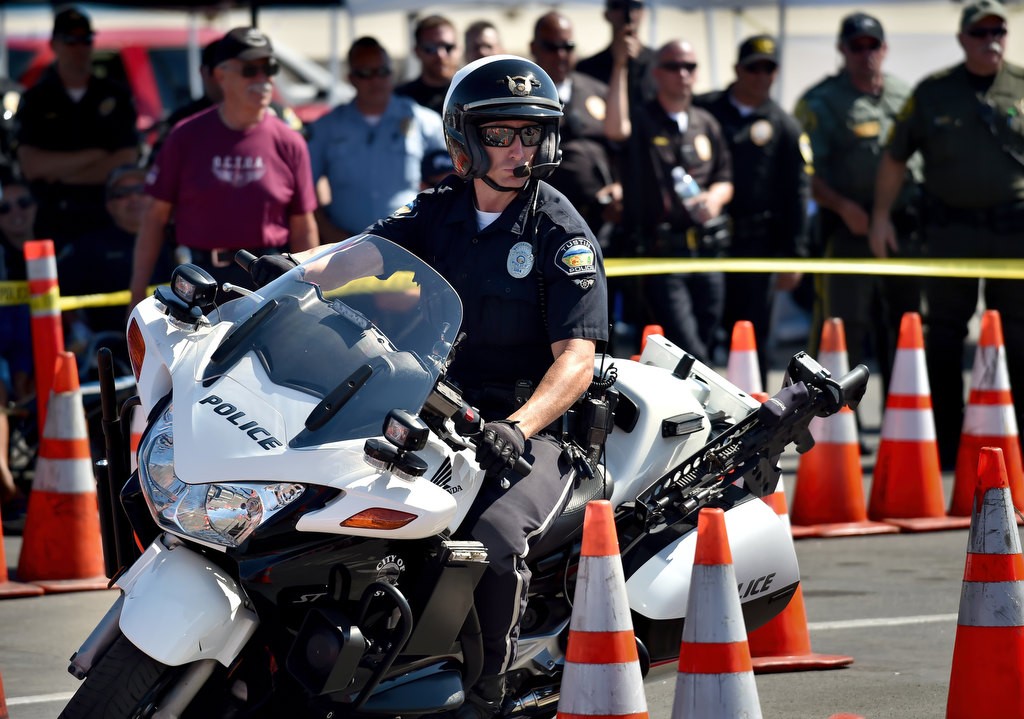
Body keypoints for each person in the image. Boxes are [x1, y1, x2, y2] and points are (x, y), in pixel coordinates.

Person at [265, 56, 608, 718]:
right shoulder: (440, 209)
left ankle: (489, 690)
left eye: (529, 134)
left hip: (528, 430)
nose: (517, 149)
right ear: (466, 142)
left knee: (495, 538)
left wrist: (520, 425)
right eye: (501, 135)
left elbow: (577, 359)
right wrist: (283, 279)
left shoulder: (561, 234)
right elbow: (360, 256)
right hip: (436, 409)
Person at [871, 0, 1024, 470]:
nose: (991, 39)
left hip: (1012, 232)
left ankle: (1015, 441)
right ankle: (946, 440)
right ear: (962, 39)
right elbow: (895, 157)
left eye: (998, 29)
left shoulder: (1020, 85)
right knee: (944, 336)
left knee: (1016, 337)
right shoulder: (934, 92)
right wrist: (880, 217)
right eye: (980, 32)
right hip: (951, 233)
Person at [128, 27, 318, 308]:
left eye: (269, 68)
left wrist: (309, 291)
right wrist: (136, 293)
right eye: (250, 70)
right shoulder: (185, 136)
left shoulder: (289, 141)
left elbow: (303, 225)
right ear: (221, 75)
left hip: (269, 281)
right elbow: (154, 219)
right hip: (197, 282)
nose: (263, 79)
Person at [794, 12, 921, 404]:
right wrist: (843, 206)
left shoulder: (905, 94)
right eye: (856, 46)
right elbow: (804, 171)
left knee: (906, 325)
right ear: (843, 50)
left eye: (872, 45)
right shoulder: (821, 102)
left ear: (883, 49)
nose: (865, 54)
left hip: (904, 227)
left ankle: (903, 417)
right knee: (841, 326)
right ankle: (831, 420)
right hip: (848, 227)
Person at [605, 39, 733, 364]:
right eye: (674, 66)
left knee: (707, 332)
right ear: (657, 73)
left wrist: (715, 199)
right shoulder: (643, 119)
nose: (683, 74)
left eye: (689, 66)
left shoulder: (706, 122)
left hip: (707, 251)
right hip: (664, 252)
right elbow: (615, 129)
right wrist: (620, 65)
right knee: (689, 345)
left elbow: (725, 177)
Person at [694, 35, 810, 380]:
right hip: (705, 242)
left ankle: (755, 412)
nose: (761, 75)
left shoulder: (784, 125)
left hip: (757, 245)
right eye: (753, 67)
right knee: (701, 332)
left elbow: (797, 195)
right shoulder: (705, 109)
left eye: (769, 68)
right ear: (737, 70)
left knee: (750, 334)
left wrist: (794, 256)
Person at [14, 6, 139, 245]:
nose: (79, 48)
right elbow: (32, 166)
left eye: (86, 39)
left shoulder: (115, 95)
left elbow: (125, 161)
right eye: (70, 40)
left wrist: (59, 172)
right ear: (54, 45)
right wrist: (96, 154)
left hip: (105, 217)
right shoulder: (36, 99)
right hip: (53, 217)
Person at [306, 36, 446, 244]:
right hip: (345, 248)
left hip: (409, 245)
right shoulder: (327, 127)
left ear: (392, 74)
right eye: (365, 73)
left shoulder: (424, 121)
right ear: (351, 78)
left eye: (382, 72)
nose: (376, 80)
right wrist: (327, 232)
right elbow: (304, 189)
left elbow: (453, 181)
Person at [530, 11, 621, 245]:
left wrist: (619, 186)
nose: (560, 55)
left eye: (568, 46)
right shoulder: (525, 95)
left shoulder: (598, 91)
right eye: (551, 47)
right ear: (534, 47)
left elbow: (621, 146)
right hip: (546, 216)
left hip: (605, 219)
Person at [59, 166, 173, 339]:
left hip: (175, 337)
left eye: (141, 190)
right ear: (109, 206)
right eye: (122, 193)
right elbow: (60, 292)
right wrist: (79, 329)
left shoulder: (178, 238)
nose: (133, 198)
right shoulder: (89, 247)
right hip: (112, 345)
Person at [151, 36, 303, 162]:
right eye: (248, 71)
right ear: (209, 73)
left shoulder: (278, 115)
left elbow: (303, 158)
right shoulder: (183, 124)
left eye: (269, 70)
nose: (259, 78)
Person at [0, 178, 36, 518]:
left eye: (23, 203)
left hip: (41, 352)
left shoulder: (55, 249)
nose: (15, 213)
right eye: (4, 207)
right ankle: (7, 486)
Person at [576, 0, 657, 105]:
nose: (627, 13)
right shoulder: (585, 69)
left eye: (635, 5)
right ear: (606, 14)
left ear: (644, 13)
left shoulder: (663, 65)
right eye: (618, 5)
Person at [395, 15, 462, 115]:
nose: (440, 55)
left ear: (459, 48)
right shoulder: (399, 100)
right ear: (417, 51)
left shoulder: (474, 91)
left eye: (448, 47)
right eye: (430, 48)